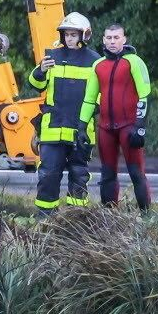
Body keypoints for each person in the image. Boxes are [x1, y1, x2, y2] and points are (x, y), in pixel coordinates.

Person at [27, 11, 100, 213]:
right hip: (52, 129)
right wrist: (40, 69)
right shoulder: (52, 56)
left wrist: (86, 120)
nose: (69, 38)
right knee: (48, 175)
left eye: (73, 34)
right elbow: (35, 84)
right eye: (66, 34)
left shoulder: (95, 61)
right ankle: (45, 218)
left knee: (79, 176)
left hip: (81, 131)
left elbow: (99, 99)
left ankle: (76, 220)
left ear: (84, 35)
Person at [95, 22, 153, 212]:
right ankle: (109, 219)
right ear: (104, 40)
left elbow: (145, 95)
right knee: (107, 174)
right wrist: (81, 125)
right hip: (105, 128)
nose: (112, 42)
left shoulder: (134, 61)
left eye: (116, 37)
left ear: (124, 39)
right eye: (109, 38)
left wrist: (140, 126)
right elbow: (89, 100)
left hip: (129, 126)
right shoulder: (98, 65)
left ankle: (146, 216)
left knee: (136, 173)